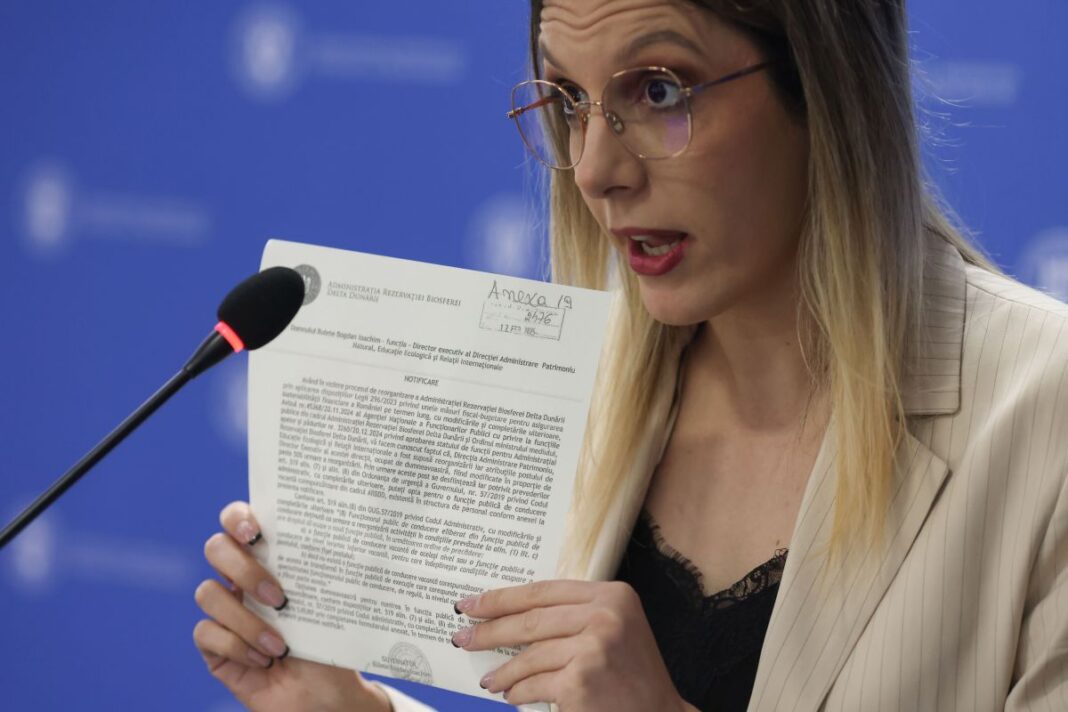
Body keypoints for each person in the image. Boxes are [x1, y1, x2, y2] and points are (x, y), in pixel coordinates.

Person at [193, 0, 1068, 710]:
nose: (593, 169)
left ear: (828, 86)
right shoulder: (593, 394)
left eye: (659, 90)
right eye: (570, 100)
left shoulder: (1044, 407)